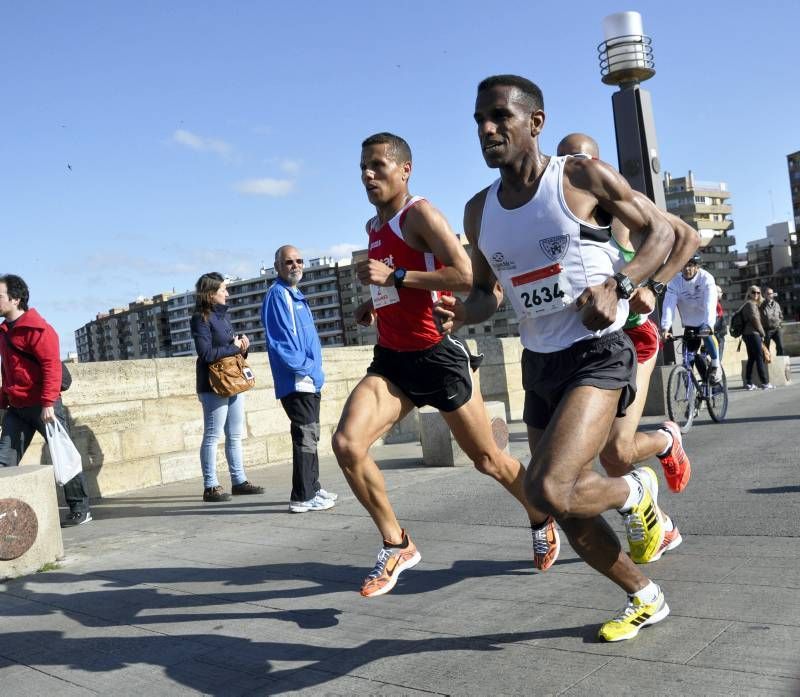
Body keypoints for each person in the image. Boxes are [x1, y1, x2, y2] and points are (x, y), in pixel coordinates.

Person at [436, 75, 676, 642]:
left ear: (535, 123)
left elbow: (661, 233)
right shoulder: (479, 211)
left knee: (545, 489)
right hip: (539, 362)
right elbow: (487, 292)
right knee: (566, 506)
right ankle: (644, 595)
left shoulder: (577, 177)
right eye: (479, 120)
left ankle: (636, 490)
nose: (487, 129)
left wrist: (620, 283)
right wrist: (460, 313)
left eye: (499, 116)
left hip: (598, 352)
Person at [332, 131, 559, 599]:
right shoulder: (374, 227)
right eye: (362, 168)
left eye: (377, 166)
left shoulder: (420, 214)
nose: (368, 175)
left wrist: (394, 276)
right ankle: (397, 543)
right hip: (393, 360)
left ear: (404, 169)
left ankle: (541, 515)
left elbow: (465, 276)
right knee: (347, 444)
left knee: (489, 460)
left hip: (439, 355)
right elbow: (398, 284)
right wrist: (377, 303)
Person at [556, 133, 701, 560]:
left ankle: (665, 439)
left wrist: (653, 285)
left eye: (580, 158)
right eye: (564, 159)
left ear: (597, 165)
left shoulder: (624, 204)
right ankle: (665, 528)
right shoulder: (559, 212)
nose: (572, 166)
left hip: (634, 337)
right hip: (588, 345)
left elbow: (687, 237)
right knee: (612, 462)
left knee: (616, 451)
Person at [0, 274, 92, 527]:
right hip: (16, 408)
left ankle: (81, 509)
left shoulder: (39, 329)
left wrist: (49, 402)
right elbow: (8, 370)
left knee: (63, 455)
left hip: (44, 406)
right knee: (4, 461)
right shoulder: (5, 331)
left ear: (15, 298)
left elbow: (51, 366)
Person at [262, 246, 337, 513]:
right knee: (305, 436)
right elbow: (282, 343)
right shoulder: (278, 295)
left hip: (309, 379)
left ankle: (313, 487)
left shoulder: (295, 295)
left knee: (311, 435)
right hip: (298, 380)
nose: (295, 265)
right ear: (278, 267)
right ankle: (302, 496)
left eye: (298, 261)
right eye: (288, 262)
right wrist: (309, 369)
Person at [190, 272, 264, 502]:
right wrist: (234, 347)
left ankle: (239, 481)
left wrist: (242, 347)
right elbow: (207, 354)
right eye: (223, 289)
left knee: (234, 434)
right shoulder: (200, 318)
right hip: (212, 385)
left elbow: (229, 351)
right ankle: (210, 486)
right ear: (211, 294)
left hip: (232, 381)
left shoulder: (222, 317)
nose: (227, 293)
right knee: (212, 435)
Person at [661, 255, 723, 383]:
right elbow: (669, 305)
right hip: (690, 323)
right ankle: (693, 390)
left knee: (707, 336)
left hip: (707, 320)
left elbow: (710, 303)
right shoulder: (674, 282)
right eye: (684, 265)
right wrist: (665, 328)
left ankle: (716, 366)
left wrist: (708, 324)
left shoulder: (706, 278)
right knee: (688, 359)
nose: (686, 268)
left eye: (690, 265)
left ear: (697, 267)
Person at [741, 285, 773, 390]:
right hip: (753, 334)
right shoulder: (750, 304)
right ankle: (764, 382)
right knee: (759, 357)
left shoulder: (749, 304)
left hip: (748, 335)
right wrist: (762, 333)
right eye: (754, 292)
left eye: (758, 292)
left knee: (752, 358)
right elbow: (755, 320)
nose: (756, 294)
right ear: (749, 293)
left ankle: (749, 383)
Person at [760, 287, 784, 356]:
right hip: (767, 329)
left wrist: (780, 323)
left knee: (780, 346)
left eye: (771, 293)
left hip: (776, 328)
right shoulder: (762, 305)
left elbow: (780, 315)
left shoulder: (776, 304)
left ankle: (780, 361)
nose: (770, 295)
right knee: (766, 348)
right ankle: (766, 362)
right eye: (768, 294)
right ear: (764, 295)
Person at [713, 285, 727, 360]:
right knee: (717, 359)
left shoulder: (718, 305)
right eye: (720, 292)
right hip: (717, 336)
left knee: (718, 360)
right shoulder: (714, 305)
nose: (721, 294)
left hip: (719, 335)